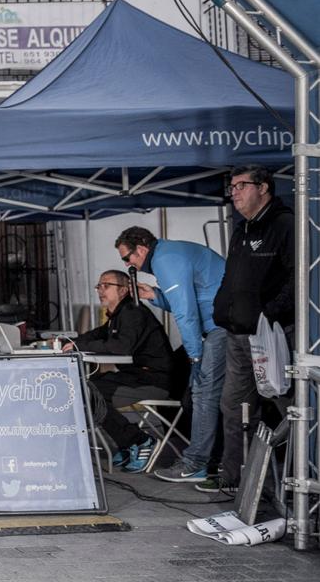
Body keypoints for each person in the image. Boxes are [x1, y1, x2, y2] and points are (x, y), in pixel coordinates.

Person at [115, 226, 227, 484]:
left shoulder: (165, 259)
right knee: (205, 395)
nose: (127, 264)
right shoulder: (170, 252)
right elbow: (189, 298)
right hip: (219, 324)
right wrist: (155, 295)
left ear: (141, 249)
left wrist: (195, 357)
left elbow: (185, 313)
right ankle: (211, 460)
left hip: (222, 327)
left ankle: (195, 463)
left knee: (203, 393)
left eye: (127, 257)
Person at [210, 165, 294, 496]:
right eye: (231, 187)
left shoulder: (284, 224)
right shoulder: (241, 229)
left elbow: (297, 278)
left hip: (272, 334)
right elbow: (233, 277)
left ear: (264, 188)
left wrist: (268, 314)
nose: (234, 193)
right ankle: (237, 477)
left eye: (241, 186)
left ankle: (297, 477)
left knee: (288, 406)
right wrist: (223, 306)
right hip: (237, 333)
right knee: (233, 405)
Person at [63, 270, 172, 471]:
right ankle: (127, 442)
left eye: (106, 285)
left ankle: (139, 440)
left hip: (153, 381)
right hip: (136, 376)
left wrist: (78, 346)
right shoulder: (118, 314)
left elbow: (121, 347)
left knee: (90, 393)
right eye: (99, 286)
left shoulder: (133, 312)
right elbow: (98, 335)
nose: (100, 290)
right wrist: (70, 342)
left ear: (123, 290)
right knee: (88, 390)